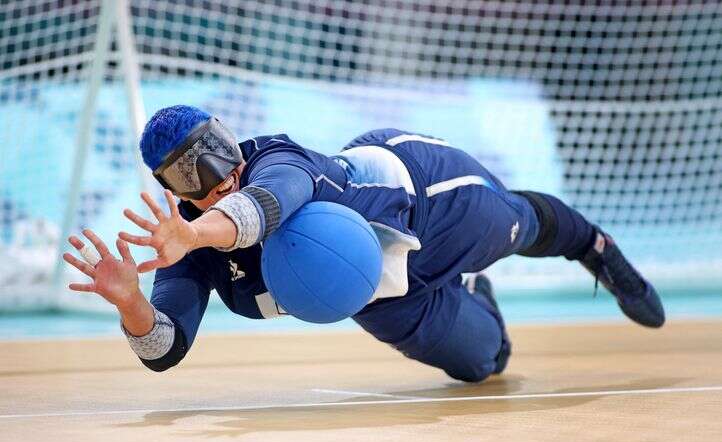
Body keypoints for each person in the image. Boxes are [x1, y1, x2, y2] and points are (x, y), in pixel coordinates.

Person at [63, 105, 665, 382]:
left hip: (425, 208)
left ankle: (595, 248)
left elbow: (262, 210)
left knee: (519, 224)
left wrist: (195, 229)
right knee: (486, 364)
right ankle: (474, 292)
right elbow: (164, 349)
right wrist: (133, 306)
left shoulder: (275, 161)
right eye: (190, 174)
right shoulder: (187, 251)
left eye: (217, 148)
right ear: (172, 187)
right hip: (377, 294)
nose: (220, 173)